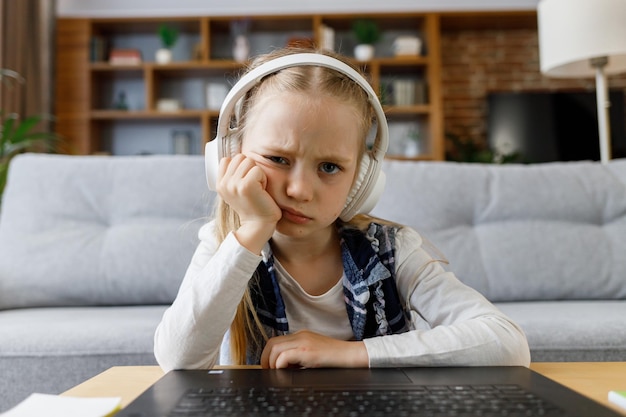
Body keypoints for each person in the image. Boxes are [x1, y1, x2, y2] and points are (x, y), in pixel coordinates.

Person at [154, 47, 530, 371]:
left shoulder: (393, 251)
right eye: (277, 158)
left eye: (329, 167)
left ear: (361, 180)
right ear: (231, 156)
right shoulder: (225, 245)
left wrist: (350, 353)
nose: (300, 190)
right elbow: (178, 359)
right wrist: (252, 229)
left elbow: (506, 341)